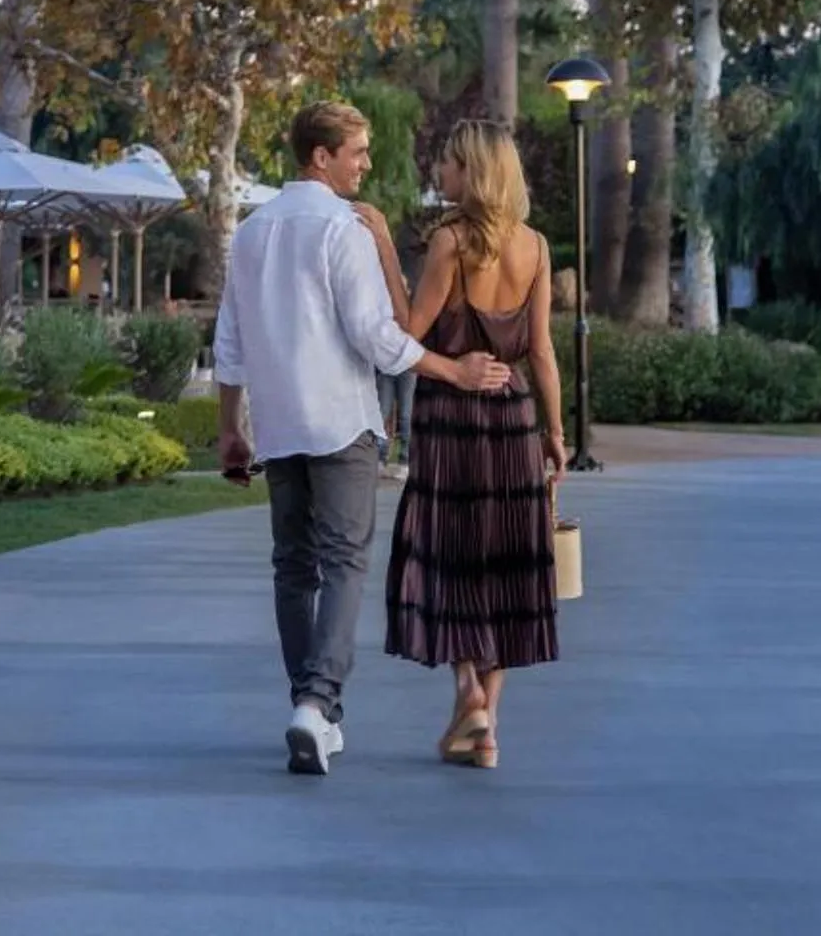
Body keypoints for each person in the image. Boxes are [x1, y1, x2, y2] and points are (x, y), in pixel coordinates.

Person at [215, 101, 513, 778]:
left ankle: (310, 708)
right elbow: (379, 338)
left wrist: (230, 429)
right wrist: (453, 370)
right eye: (358, 151)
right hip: (341, 424)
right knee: (344, 562)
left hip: (281, 426)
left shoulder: (253, 231)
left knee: (293, 566)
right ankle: (318, 704)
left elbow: (228, 342)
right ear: (321, 156)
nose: (366, 163)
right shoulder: (340, 229)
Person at [382, 119, 563, 771]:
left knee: (451, 553)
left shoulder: (450, 242)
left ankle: (467, 692)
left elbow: (407, 335)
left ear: (475, 173)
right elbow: (541, 351)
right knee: (509, 560)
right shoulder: (537, 248)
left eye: (451, 163)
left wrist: (380, 244)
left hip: (451, 417)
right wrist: (557, 435)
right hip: (515, 419)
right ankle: (484, 729)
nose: (441, 172)